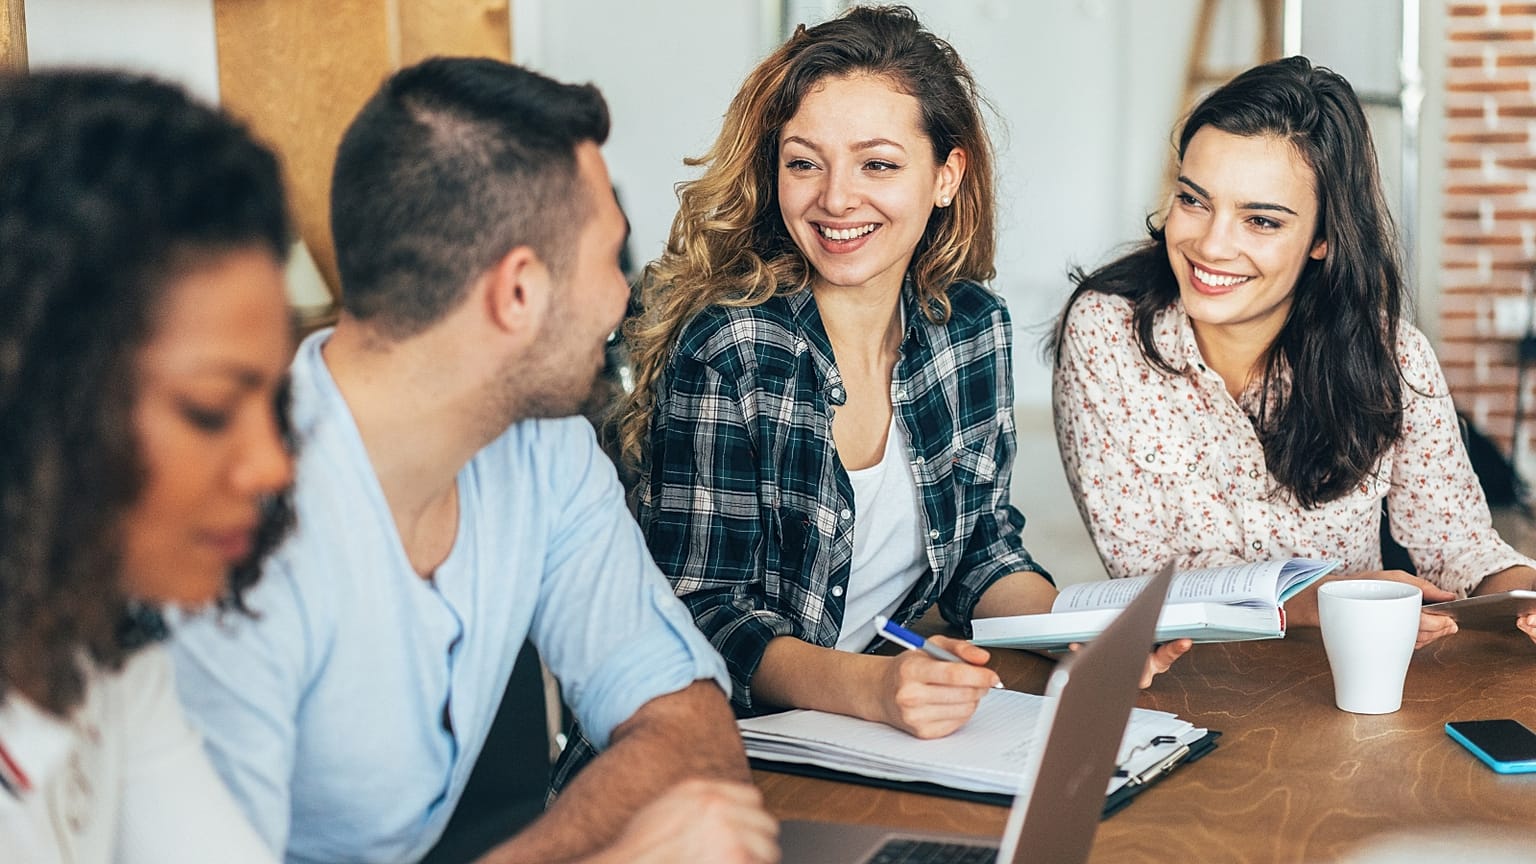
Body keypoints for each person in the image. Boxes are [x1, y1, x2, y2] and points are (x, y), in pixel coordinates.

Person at [167, 59, 778, 864]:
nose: (622, 299)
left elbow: (690, 729)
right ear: (518, 293)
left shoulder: (545, 444)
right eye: (609, 259)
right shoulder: (230, 534)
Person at [590, 5, 1189, 755]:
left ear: (946, 175)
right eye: (805, 162)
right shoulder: (732, 346)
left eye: (878, 164)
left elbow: (980, 553)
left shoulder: (970, 329)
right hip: (723, 745)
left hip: (872, 736)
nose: (837, 198)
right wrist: (873, 688)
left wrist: (1077, 637)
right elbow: (704, 613)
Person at [1051, 55, 1536, 649]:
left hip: (1348, 673)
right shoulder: (1107, 331)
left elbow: (1458, 545)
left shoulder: (1394, 358)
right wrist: (1304, 601)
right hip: (1183, 676)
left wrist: (1520, 591)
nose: (1211, 244)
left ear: (1324, 238)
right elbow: (1139, 573)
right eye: (1194, 200)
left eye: (1260, 220)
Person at [0, 70, 295, 862]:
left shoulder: (101, 650)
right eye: (208, 410)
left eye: (275, 405)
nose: (273, 467)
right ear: (35, 391)